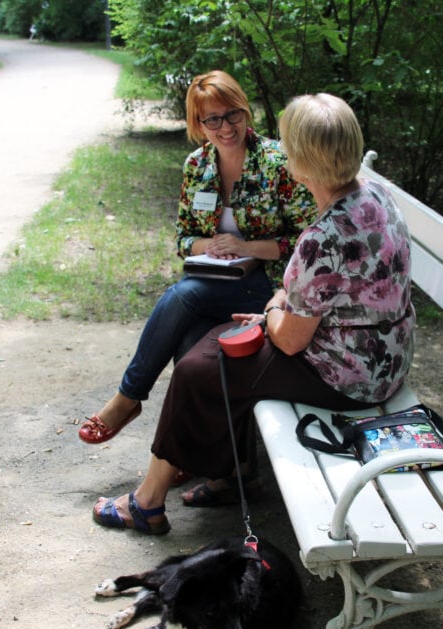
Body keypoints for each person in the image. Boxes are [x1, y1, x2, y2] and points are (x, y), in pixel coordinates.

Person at [92, 93, 416, 534]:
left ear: (299, 164)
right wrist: (280, 307)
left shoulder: (323, 236)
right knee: (206, 343)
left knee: (198, 367)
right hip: (386, 356)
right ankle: (233, 474)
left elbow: (288, 340)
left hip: (351, 377)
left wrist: (273, 306)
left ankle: (146, 503)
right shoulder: (375, 193)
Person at [77, 71, 315, 463]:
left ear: (246, 111)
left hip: (268, 288)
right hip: (213, 283)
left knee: (184, 295)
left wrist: (248, 247)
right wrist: (210, 246)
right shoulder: (196, 165)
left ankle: (129, 396)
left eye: (233, 114)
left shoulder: (277, 164)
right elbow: (184, 239)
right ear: (198, 124)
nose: (226, 127)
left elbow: (307, 243)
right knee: (190, 352)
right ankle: (202, 463)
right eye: (213, 119)